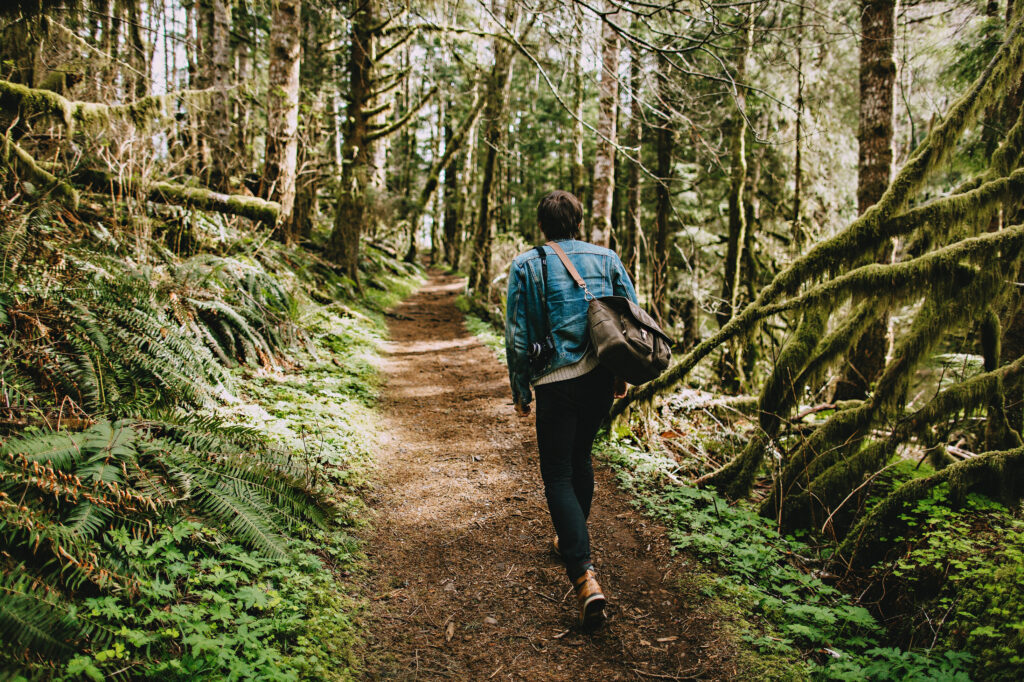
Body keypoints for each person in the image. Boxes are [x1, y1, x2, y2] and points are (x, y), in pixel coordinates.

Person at [504, 190, 639, 629]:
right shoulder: (607, 259)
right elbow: (630, 317)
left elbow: (518, 333)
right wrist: (619, 374)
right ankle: (570, 541)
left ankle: (583, 575)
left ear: (542, 224)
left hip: (555, 381)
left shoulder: (527, 264)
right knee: (581, 457)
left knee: (558, 473)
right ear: (578, 221)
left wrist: (521, 386)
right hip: (600, 377)